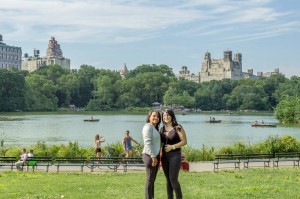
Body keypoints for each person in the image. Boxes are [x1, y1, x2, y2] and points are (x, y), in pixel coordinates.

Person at [160, 109, 187, 199]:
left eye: (168, 115)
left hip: (175, 155)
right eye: (164, 115)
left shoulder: (178, 127)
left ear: (172, 116)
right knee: (168, 179)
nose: (166, 117)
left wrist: (172, 147)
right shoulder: (161, 129)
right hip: (164, 156)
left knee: (173, 178)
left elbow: (184, 141)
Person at [142, 110, 161, 199]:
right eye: (154, 116)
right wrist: (153, 156)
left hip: (155, 155)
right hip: (150, 155)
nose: (156, 118)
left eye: (157, 116)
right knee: (150, 179)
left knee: (152, 179)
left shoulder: (154, 128)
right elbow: (147, 142)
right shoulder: (148, 127)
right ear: (149, 117)